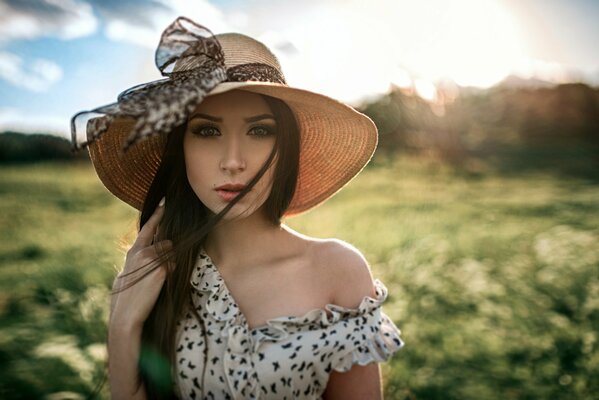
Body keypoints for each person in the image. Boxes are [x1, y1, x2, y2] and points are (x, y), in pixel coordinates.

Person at [71, 16, 404, 400]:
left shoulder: (338, 270)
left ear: (286, 147)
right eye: (207, 131)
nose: (233, 161)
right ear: (179, 149)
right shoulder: (158, 276)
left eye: (260, 130)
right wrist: (124, 322)